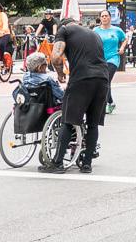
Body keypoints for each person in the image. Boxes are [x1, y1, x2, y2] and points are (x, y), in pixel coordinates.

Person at [38, 17, 109, 174]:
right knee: (93, 124)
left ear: (63, 25)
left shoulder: (64, 31)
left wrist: (60, 73)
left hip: (82, 79)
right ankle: (87, 164)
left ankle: (57, 163)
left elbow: (55, 57)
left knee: (68, 120)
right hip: (102, 79)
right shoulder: (93, 34)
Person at [94, 10, 127, 114]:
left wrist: (122, 48)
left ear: (110, 17)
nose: (104, 18)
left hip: (113, 58)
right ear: (100, 18)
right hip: (99, 59)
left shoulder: (117, 30)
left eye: (106, 16)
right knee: (102, 82)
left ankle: (103, 104)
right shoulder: (95, 30)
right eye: (102, 16)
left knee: (105, 80)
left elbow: (125, 39)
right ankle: (111, 102)